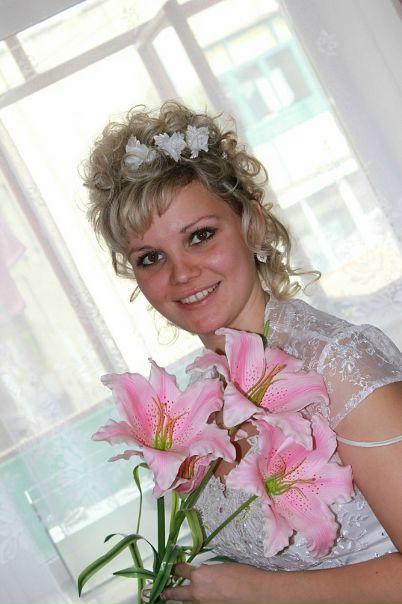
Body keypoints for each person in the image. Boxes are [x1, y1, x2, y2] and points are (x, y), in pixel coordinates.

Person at [83, 100, 402, 603]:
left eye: (200, 236)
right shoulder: (200, 396)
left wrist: (255, 590)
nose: (181, 273)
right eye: (151, 258)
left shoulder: (343, 366)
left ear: (252, 223)